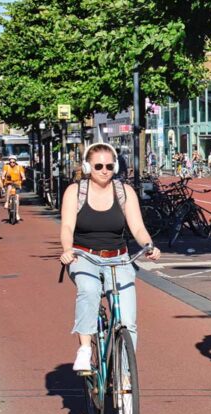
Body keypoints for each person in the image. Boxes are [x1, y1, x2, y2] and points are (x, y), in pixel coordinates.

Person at [59, 143, 161, 373]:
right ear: (87, 167)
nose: (104, 170)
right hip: (84, 256)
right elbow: (66, 226)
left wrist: (149, 245)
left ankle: (125, 377)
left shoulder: (124, 192)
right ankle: (85, 349)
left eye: (109, 165)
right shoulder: (75, 192)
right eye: (98, 166)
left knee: (128, 321)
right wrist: (67, 249)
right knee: (89, 289)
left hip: (119, 258)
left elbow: (137, 227)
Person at [2, 156, 26, 221]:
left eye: (13, 162)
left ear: (15, 162)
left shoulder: (19, 167)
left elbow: (22, 174)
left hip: (17, 183)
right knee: (9, 187)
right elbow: (3, 173)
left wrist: (23, 177)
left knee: (17, 198)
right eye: (10, 162)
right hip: (9, 182)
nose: (12, 163)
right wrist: (3, 177)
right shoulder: (6, 166)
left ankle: (17, 213)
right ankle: (7, 202)